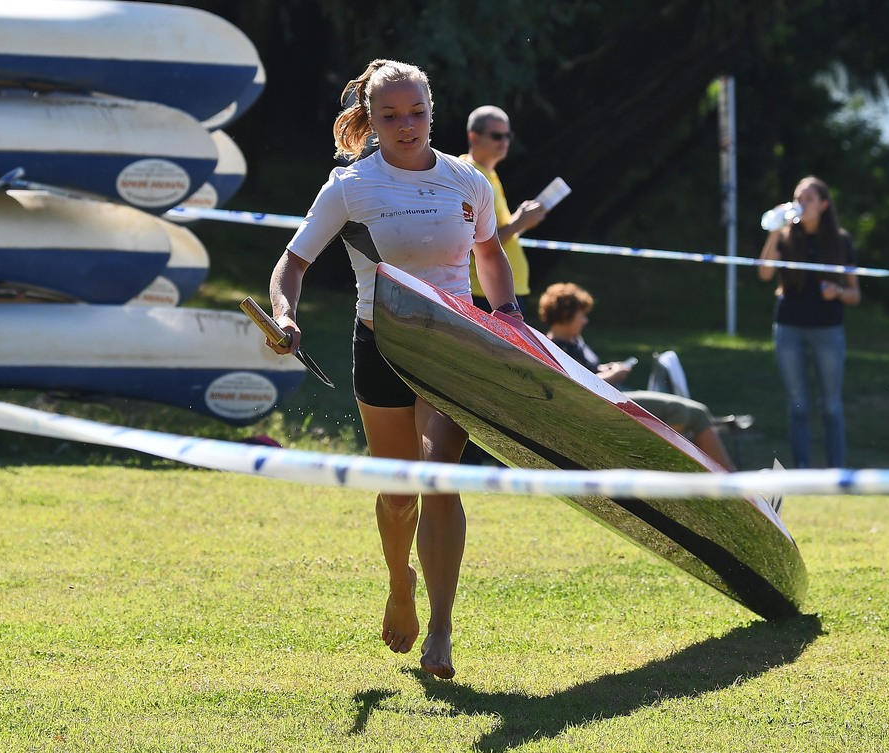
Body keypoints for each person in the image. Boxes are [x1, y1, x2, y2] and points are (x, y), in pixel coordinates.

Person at [265, 59, 522, 680]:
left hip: (451, 345)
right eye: (390, 116)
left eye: (416, 113)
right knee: (400, 493)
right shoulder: (352, 186)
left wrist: (509, 316)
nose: (406, 126)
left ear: (432, 113)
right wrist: (284, 315)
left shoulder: (467, 180)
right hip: (380, 344)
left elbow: (490, 256)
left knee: (439, 479)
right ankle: (398, 583)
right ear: (372, 121)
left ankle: (442, 628)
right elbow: (292, 264)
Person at [537, 282, 738, 472]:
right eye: (582, 315)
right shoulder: (553, 347)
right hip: (601, 403)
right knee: (679, 411)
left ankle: (734, 482)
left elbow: (588, 369)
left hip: (612, 394)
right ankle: (663, 474)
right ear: (566, 315)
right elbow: (576, 386)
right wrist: (613, 375)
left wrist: (607, 367)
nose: (585, 320)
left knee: (699, 412)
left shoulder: (574, 341)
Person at [758, 176, 860, 468]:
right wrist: (774, 231)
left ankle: (836, 473)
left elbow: (855, 295)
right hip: (789, 328)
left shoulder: (841, 241)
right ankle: (802, 470)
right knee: (798, 406)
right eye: (798, 198)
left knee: (831, 406)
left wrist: (837, 291)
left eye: (809, 199)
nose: (801, 204)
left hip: (828, 330)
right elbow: (765, 273)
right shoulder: (786, 236)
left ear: (824, 205)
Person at [461, 105, 548, 312]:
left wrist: (523, 223)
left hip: (499, 292)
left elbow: (494, 233)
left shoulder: (488, 174)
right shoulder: (469, 175)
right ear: (474, 137)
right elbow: (472, 243)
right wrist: (519, 223)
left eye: (508, 136)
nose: (504, 142)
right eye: (497, 136)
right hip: (487, 293)